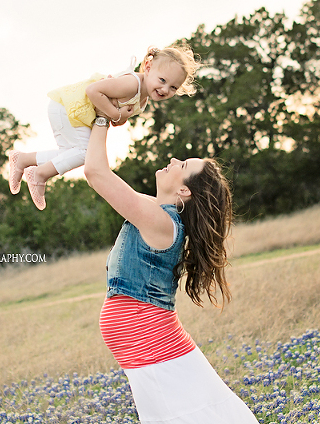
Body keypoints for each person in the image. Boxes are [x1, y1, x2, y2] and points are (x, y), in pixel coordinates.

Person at [83, 118, 260, 423]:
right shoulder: (156, 213)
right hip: (149, 349)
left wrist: (102, 116)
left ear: (184, 190)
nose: (174, 160)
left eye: (182, 165)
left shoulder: (161, 223)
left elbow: (96, 173)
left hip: (152, 348)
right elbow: (93, 166)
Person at [8, 44, 199, 210]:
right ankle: (39, 174)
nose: (165, 89)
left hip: (72, 111)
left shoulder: (144, 99)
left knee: (70, 152)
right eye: (162, 80)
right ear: (148, 67)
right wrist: (115, 114)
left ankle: (23, 159)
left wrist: (119, 117)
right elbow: (93, 91)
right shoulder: (132, 83)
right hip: (68, 107)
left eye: (173, 87)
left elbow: (117, 117)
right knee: (85, 153)